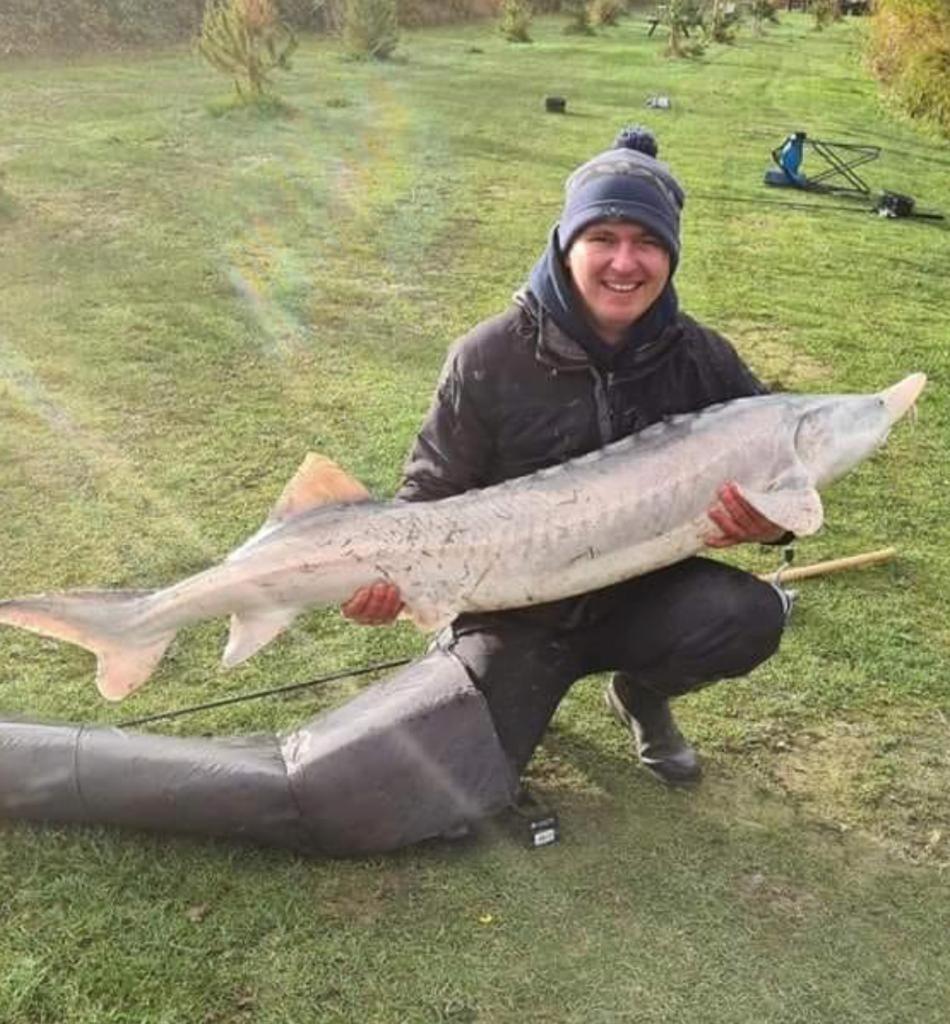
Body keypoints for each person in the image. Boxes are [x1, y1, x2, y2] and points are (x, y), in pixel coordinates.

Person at [342, 128, 790, 786]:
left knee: (749, 617)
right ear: (566, 243)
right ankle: (488, 676)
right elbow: (428, 493)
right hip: (513, 614)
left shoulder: (701, 357)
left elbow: (778, 465)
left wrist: (771, 524)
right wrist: (389, 578)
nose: (624, 263)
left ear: (671, 254)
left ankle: (641, 694)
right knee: (466, 793)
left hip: (637, 595)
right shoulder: (488, 356)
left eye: (647, 243)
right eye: (603, 238)